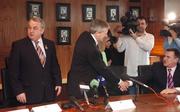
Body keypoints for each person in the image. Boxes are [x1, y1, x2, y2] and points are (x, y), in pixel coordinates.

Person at [67, 19, 131, 99]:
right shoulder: (91, 48)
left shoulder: (85, 36)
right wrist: (120, 82)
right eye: (105, 33)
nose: (106, 36)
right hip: (82, 87)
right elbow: (102, 69)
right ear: (98, 33)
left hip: (78, 82)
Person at [8, 17, 62, 104]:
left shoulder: (50, 44)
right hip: (28, 95)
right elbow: (13, 72)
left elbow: (55, 66)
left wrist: (58, 83)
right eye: (29, 28)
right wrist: (18, 91)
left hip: (49, 93)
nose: (31, 31)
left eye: (35, 28)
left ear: (42, 30)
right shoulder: (19, 46)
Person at [116, 17, 154, 94]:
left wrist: (135, 37)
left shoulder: (150, 36)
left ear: (146, 25)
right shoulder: (127, 37)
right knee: (131, 95)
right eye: (138, 24)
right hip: (130, 71)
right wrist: (121, 36)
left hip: (143, 72)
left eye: (142, 23)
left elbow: (147, 47)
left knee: (144, 96)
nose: (140, 25)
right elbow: (119, 49)